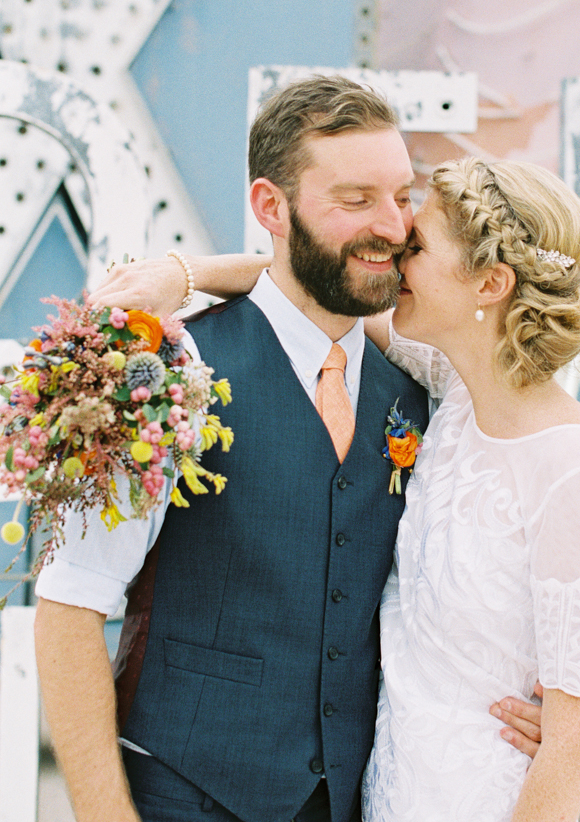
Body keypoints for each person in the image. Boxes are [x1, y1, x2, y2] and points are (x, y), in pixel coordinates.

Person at [34, 76, 541, 822]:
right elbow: (70, 608)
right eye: (355, 199)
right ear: (271, 207)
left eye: (402, 196)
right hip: (179, 796)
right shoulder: (167, 379)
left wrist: (546, 699)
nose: (393, 225)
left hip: (354, 801)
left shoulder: (421, 390)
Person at [94, 155, 580, 821]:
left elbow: (577, 738)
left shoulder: (574, 468)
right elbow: (306, 287)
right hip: (387, 794)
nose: (390, 256)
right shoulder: (454, 391)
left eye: (415, 246)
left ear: (491, 283)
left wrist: (559, 735)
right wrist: (182, 275)